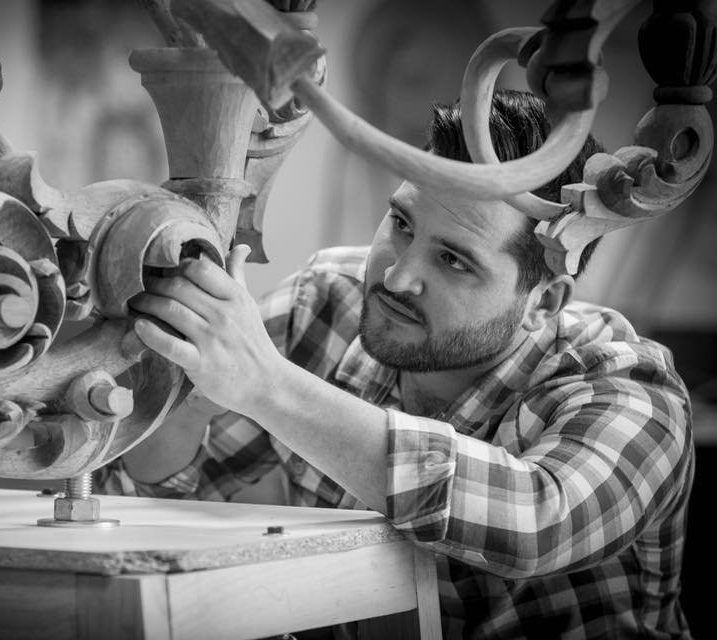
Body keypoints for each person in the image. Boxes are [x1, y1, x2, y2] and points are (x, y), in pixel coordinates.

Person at [101, 89, 694, 639]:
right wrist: (188, 380)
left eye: (454, 261)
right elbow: (148, 500)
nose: (396, 275)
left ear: (543, 303)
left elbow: (537, 521)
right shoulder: (324, 304)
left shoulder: (630, 385)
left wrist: (266, 386)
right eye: (402, 224)